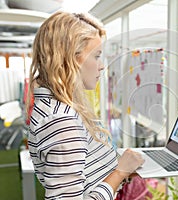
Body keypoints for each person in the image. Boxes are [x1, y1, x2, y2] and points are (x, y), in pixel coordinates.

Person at [26, 11, 144, 200]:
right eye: (96, 56)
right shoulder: (60, 120)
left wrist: (122, 168)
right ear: (69, 58)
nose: (101, 65)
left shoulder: (57, 105)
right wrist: (120, 172)